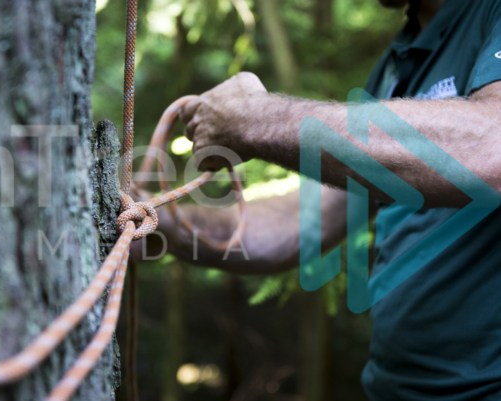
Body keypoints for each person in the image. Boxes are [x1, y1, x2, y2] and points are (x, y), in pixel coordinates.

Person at [139, 0, 501, 399]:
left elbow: (492, 148)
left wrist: (255, 118)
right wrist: (164, 225)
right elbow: (300, 221)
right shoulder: (400, 59)